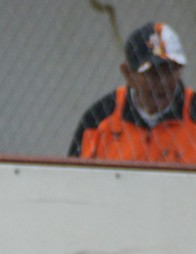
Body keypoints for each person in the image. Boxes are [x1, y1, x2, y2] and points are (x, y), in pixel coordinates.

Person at [69, 22, 195, 165]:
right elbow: (72, 175)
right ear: (128, 73)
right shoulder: (99, 118)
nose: (163, 82)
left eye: (170, 71)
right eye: (152, 73)